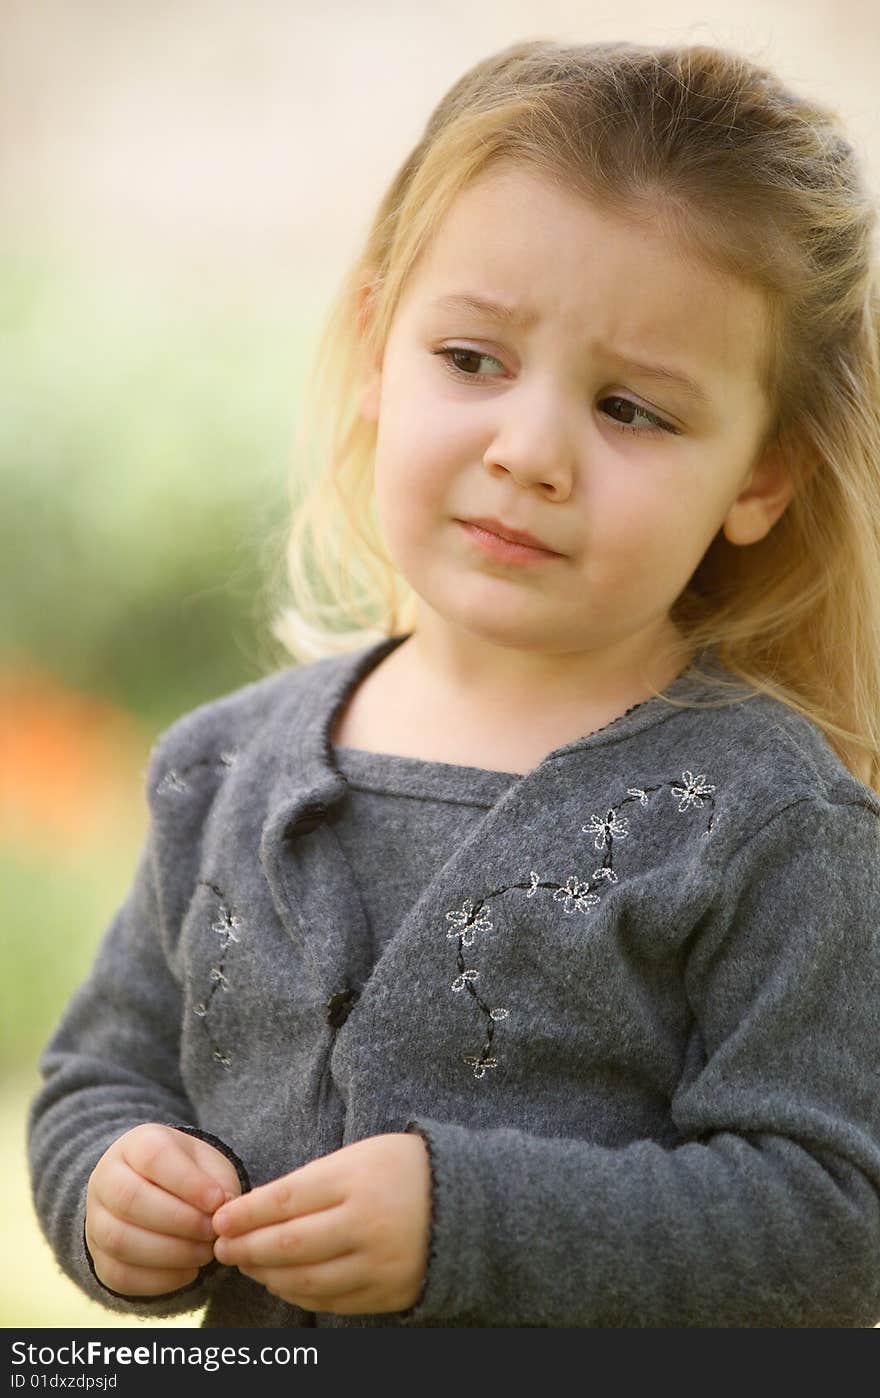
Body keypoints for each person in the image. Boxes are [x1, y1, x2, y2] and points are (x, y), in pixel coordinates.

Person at [28, 38, 880, 1329]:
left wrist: (474, 1224)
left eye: (633, 409)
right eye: (473, 359)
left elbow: (833, 1214)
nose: (529, 451)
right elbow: (102, 1072)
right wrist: (111, 1181)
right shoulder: (217, 768)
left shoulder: (766, 822)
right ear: (377, 346)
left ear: (763, 476)